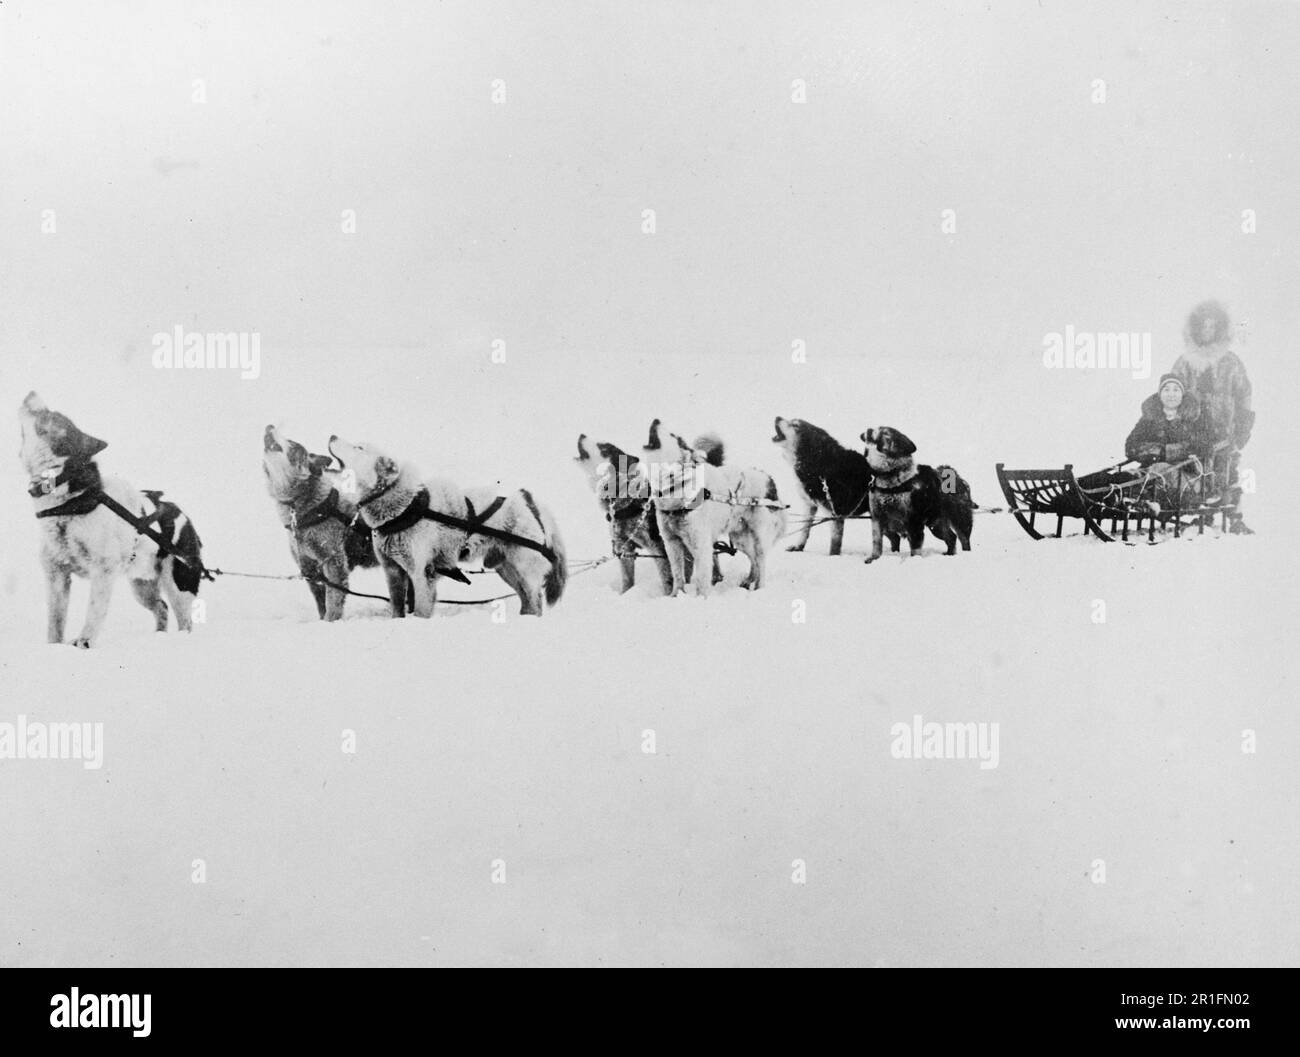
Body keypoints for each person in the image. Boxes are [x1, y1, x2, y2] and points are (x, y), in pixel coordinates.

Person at [1169, 300, 1254, 532]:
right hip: (1194, 430)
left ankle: (1235, 517)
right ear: (1196, 329)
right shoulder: (1186, 362)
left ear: (1219, 329)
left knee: (1228, 470)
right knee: (1197, 471)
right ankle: (1202, 514)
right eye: (1203, 327)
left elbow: (1244, 391)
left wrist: (1244, 423)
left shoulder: (1230, 362)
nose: (1207, 331)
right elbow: (1172, 389)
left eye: (1212, 327)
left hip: (1225, 428)